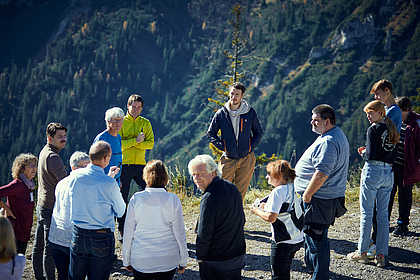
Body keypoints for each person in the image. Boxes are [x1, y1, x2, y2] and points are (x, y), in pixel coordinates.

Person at [294, 104, 349, 280]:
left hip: (319, 198)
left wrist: (307, 195)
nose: (312, 122)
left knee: (317, 239)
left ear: (327, 121)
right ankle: (312, 267)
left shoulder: (329, 141)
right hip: (322, 197)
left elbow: (322, 173)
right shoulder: (333, 134)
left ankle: (320, 276)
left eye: (316, 120)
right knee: (313, 235)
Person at [49, 151, 120, 280]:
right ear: (74, 168)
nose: (88, 170)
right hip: (73, 237)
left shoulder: (62, 183)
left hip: (56, 236)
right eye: (84, 166)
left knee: (64, 275)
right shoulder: (79, 183)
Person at [347, 100, 399, 267]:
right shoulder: (392, 129)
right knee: (383, 216)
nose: (368, 116)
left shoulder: (373, 129)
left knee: (367, 214)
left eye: (371, 113)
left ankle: (362, 252)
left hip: (373, 172)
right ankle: (381, 255)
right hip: (388, 173)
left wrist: (363, 152)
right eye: (367, 113)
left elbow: (370, 155)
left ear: (380, 112)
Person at [68, 141, 125, 280]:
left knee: (75, 277)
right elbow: (121, 210)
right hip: (101, 236)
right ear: (106, 158)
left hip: (78, 232)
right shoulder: (109, 183)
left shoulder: (74, 177)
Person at [122, 160, 187, 279]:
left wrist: (126, 259)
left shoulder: (136, 199)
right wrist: (183, 260)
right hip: (167, 260)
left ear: (145, 177)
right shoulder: (173, 199)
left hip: (141, 260)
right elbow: (180, 233)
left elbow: (128, 233)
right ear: (165, 177)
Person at [188, 154, 246, 280]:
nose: (196, 178)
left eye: (200, 173)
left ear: (213, 172)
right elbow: (242, 219)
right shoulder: (232, 187)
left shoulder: (209, 197)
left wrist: (200, 257)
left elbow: (204, 234)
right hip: (237, 258)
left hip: (217, 262)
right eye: (194, 174)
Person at [207, 82, 263, 201]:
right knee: (222, 190)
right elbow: (211, 133)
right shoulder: (221, 114)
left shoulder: (249, 112)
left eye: (237, 94)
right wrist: (224, 147)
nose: (234, 97)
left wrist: (249, 147)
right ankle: (222, 217)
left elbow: (258, 132)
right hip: (227, 159)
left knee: (240, 193)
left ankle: (236, 218)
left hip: (246, 158)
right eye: (232, 93)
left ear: (242, 95)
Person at [250, 160, 304, 280]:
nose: (266, 176)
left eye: (269, 173)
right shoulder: (289, 186)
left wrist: (256, 210)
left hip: (283, 241)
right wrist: (266, 207)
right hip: (296, 237)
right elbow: (284, 208)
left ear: (278, 176)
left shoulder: (277, 192)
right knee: (285, 271)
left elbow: (271, 218)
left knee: (278, 275)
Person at [369, 79, 402, 257]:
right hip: (384, 159)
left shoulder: (393, 111)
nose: (376, 96)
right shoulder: (390, 110)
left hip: (385, 161)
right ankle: (378, 241)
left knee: (380, 206)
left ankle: (377, 242)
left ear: (387, 91)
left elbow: (390, 137)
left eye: (378, 93)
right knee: (380, 206)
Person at [33, 122, 68, 280]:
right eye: (59, 136)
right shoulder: (54, 157)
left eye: (64, 136)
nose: (63, 139)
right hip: (51, 206)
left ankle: (39, 276)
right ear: (50, 138)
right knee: (50, 248)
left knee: (38, 245)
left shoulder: (44, 151)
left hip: (41, 203)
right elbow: (66, 182)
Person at [118, 94, 154, 239]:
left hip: (140, 165)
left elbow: (150, 143)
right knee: (122, 199)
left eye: (139, 107)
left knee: (151, 192)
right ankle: (122, 230)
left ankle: (147, 223)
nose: (136, 110)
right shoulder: (120, 122)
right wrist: (136, 141)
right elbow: (118, 145)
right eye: (134, 107)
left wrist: (133, 143)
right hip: (124, 165)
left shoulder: (145, 123)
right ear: (128, 106)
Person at [388, 97, 420, 236]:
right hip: (392, 165)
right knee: (388, 194)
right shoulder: (395, 121)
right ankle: (384, 222)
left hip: (407, 167)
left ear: (407, 110)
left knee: (405, 196)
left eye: (398, 111)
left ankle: (402, 225)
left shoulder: (416, 123)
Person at [0, 153, 38, 255]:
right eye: (31, 165)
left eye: (35, 165)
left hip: (24, 232)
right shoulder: (18, 184)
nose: (34, 168)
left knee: (19, 262)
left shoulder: (29, 185)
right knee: (12, 263)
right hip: (15, 232)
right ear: (21, 168)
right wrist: (7, 209)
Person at [93, 107, 124, 183]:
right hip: (104, 180)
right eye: (115, 120)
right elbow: (95, 162)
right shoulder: (102, 138)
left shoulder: (118, 137)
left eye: (120, 120)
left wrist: (119, 180)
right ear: (108, 121)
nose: (118, 122)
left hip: (116, 181)